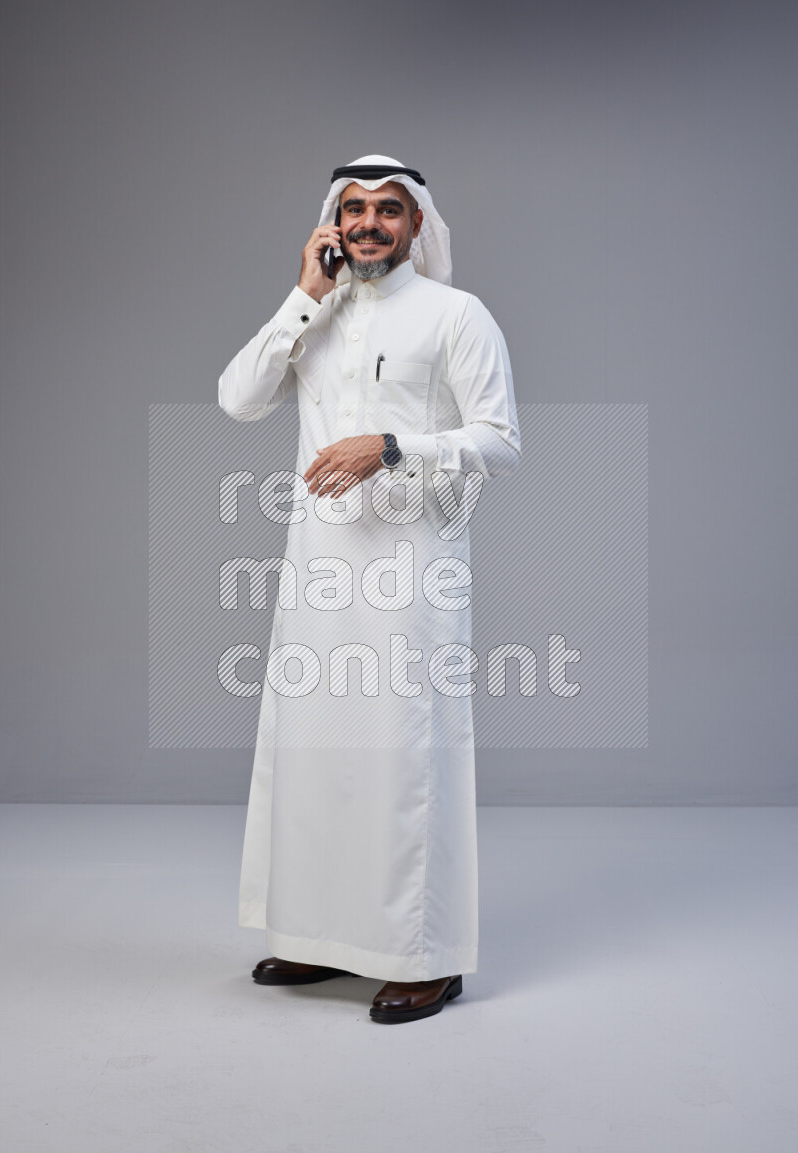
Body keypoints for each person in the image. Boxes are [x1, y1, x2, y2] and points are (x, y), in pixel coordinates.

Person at [218, 154, 521, 1024]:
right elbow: (238, 398)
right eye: (354, 210)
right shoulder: (316, 312)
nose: (369, 224)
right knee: (317, 752)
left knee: (403, 758)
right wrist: (302, 295)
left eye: (390, 210)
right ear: (333, 223)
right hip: (320, 568)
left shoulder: (456, 315)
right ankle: (320, 937)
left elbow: (501, 439)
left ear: (418, 224)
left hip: (411, 568)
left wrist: (391, 446)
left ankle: (424, 958)